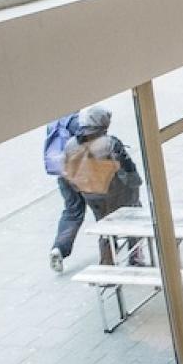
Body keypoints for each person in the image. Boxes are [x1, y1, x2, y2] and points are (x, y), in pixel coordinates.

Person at [53, 106, 142, 269]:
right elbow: (128, 169)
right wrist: (135, 186)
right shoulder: (110, 143)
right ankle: (135, 258)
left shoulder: (71, 144)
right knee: (133, 218)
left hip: (92, 195)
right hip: (117, 193)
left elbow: (67, 172)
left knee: (104, 226)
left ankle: (107, 264)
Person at [44, 111, 82, 271]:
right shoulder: (76, 120)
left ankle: (59, 248)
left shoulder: (53, 121)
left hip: (63, 174)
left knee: (72, 211)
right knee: (102, 210)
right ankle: (109, 251)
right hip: (83, 174)